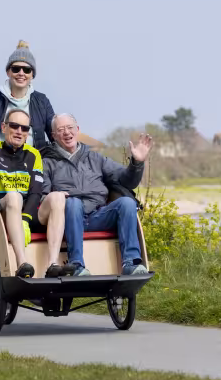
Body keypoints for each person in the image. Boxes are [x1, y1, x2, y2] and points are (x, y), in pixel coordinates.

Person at [0, 109, 68, 278]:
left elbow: (36, 192)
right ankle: (22, 263)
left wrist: (25, 220)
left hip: (25, 212)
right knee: (14, 196)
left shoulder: (34, 154)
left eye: (24, 128)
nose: (19, 131)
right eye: (14, 126)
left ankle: (52, 264)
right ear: (3, 127)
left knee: (58, 197)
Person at [41, 113, 153, 276]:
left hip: (97, 215)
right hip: (66, 219)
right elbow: (44, 197)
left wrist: (137, 163)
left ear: (77, 129)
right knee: (73, 203)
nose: (67, 132)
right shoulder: (47, 163)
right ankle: (76, 265)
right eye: (61, 129)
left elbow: (127, 181)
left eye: (70, 127)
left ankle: (131, 262)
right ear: (54, 135)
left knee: (127, 203)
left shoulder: (95, 158)